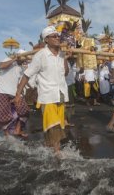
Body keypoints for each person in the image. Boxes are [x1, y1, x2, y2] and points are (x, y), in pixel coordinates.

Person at [14, 25, 70, 154]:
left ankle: (49, 146)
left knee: (60, 124)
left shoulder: (61, 54)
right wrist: (18, 94)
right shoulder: (40, 55)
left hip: (61, 94)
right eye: (54, 36)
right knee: (54, 125)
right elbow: (26, 75)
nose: (57, 38)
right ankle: (57, 153)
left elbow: (65, 73)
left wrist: (65, 58)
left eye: (58, 36)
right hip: (47, 95)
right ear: (46, 40)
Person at [0, 49, 30, 137]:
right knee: (3, 114)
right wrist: (14, 59)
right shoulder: (8, 59)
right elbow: (1, 66)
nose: (24, 60)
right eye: (22, 57)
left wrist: (21, 90)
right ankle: (6, 134)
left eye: (25, 58)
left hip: (15, 92)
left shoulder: (22, 68)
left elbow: (21, 80)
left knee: (24, 111)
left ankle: (17, 130)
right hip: (3, 90)